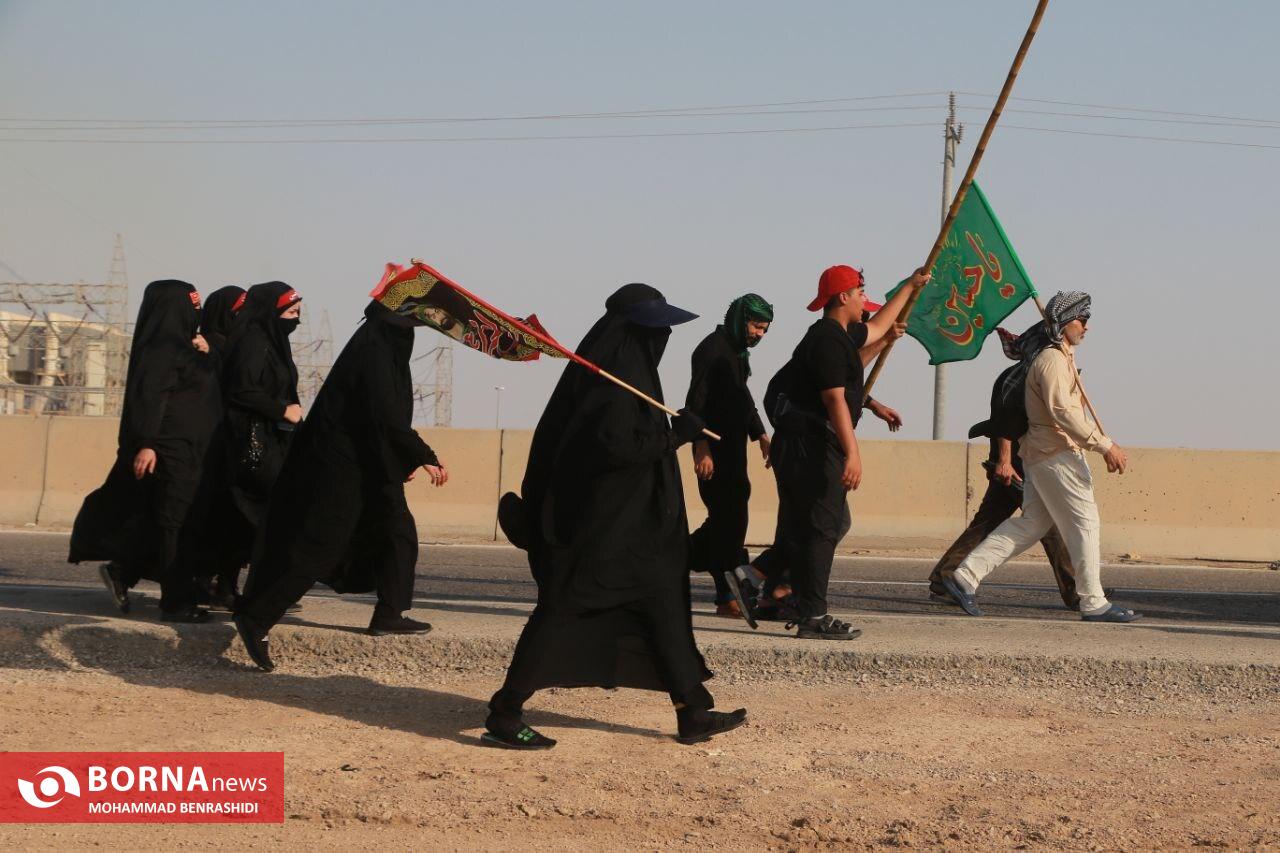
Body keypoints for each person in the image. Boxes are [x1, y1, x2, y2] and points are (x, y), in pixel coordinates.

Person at [485, 283, 746, 750]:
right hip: (601, 530)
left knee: (664, 604)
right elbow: (615, 447)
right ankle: (505, 711)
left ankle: (692, 710)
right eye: (657, 327)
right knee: (563, 608)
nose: (665, 334)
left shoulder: (630, 370)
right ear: (634, 330)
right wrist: (677, 435)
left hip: (641, 531)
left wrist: (674, 431)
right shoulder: (612, 375)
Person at [234, 289, 449, 672]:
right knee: (317, 547)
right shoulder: (375, 349)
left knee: (398, 531)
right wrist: (422, 454)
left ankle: (390, 613)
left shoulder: (387, 341)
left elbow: (386, 416)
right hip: (341, 467)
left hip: (371, 462)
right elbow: (383, 413)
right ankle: (256, 618)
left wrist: (400, 455)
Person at [938, 291, 1141, 623]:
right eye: (1082, 320)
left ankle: (965, 576)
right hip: (1057, 456)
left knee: (1032, 524)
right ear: (1065, 321)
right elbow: (1064, 413)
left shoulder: (1060, 359)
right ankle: (1093, 602)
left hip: (1043, 455)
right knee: (1085, 523)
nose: (1086, 327)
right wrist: (1105, 445)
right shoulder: (1052, 362)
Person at [761, 264, 926, 639]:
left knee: (818, 526)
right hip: (811, 445)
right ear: (843, 296)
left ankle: (770, 587)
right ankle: (809, 613)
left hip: (807, 444)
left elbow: (873, 335)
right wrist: (853, 452)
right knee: (820, 529)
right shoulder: (828, 340)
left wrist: (909, 286)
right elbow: (835, 398)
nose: (864, 301)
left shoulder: (838, 337)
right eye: (860, 293)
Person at [69, 280, 219, 623]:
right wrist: (147, 444)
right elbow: (150, 400)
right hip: (169, 452)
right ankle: (176, 604)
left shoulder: (183, 346)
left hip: (189, 452)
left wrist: (209, 352)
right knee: (174, 525)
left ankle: (125, 571)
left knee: (168, 523)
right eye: (191, 305)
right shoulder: (162, 349)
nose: (196, 312)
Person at [926, 326, 1082, 610]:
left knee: (988, 522)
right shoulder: (1022, 377)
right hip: (1018, 462)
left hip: (1022, 459)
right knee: (1049, 525)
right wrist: (1005, 462)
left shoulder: (1035, 373)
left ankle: (943, 578)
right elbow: (1007, 422)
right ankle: (1077, 592)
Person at [685, 293, 774, 625]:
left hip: (734, 450)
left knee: (725, 522)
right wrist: (701, 446)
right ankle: (727, 596)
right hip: (714, 451)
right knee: (730, 523)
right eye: (756, 327)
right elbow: (695, 402)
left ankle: (670, 560)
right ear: (740, 320)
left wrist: (760, 434)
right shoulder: (712, 350)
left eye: (764, 330)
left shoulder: (735, 352)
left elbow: (742, 397)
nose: (759, 335)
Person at [222, 282, 304, 549]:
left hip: (274, 440)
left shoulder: (276, 343)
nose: (296, 320)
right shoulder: (254, 342)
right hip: (253, 442)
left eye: (298, 313)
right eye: (291, 313)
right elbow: (242, 389)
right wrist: (283, 411)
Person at [190, 285, 246, 609]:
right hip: (210, 446)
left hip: (230, 445)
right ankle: (208, 584)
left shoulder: (238, 346)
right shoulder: (206, 346)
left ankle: (224, 585)